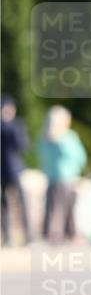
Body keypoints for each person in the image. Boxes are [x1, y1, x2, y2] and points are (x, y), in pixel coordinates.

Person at [38, 106, 87, 242]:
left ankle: (50, 233)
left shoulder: (44, 137)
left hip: (51, 176)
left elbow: (41, 157)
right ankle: (67, 234)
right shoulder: (67, 137)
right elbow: (80, 157)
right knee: (67, 207)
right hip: (67, 176)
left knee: (52, 206)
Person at [1, 96, 31, 246]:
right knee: (3, 206)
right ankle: (6, 237)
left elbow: (23, 146)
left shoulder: (16, 125)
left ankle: (28, 236)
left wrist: (10, 127)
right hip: (2, 171)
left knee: (21, 203)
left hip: (14, 170)